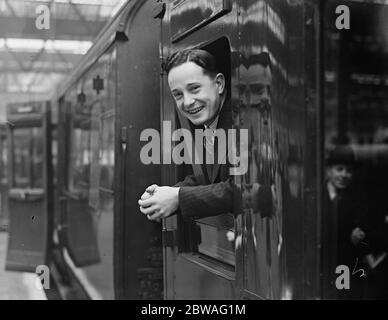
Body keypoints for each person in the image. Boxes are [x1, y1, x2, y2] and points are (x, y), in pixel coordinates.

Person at [138, 49, 238, 221]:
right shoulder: (210, 124)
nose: (187, 102)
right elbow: (209, 178)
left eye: (194, 88)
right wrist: (166, 194)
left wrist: (178, 197)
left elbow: (240, 190)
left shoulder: (240, 120)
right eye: (178, 94)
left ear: (219, 84)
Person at [321, 145, 367, 299]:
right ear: (329, 171)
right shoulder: (317, 197)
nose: (344, 175)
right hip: (319, 264)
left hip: (342, 265)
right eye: (339, 169)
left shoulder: (354, 198)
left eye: (348, 171)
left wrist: (355, 234)